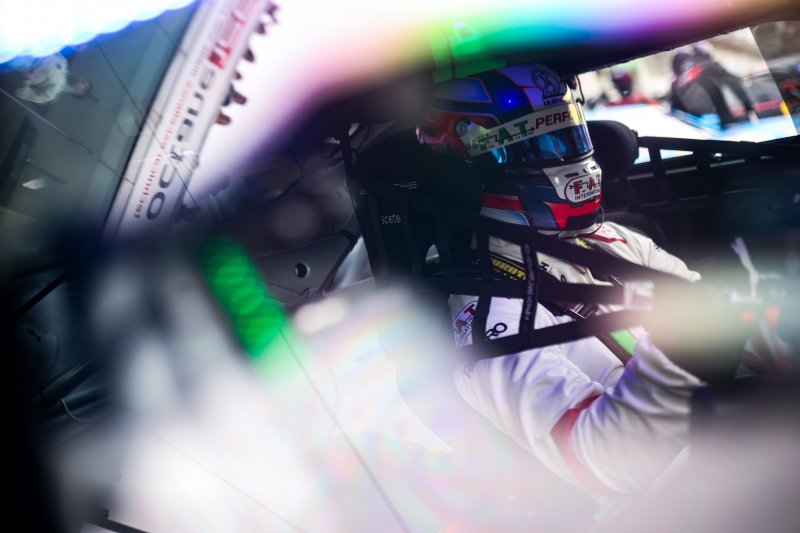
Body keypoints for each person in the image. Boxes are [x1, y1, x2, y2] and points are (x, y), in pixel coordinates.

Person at [416, 63, 707, 496]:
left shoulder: (613, 239)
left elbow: (718, 316)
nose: (568, 158)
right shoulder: (490, 319)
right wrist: (684, 351)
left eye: (569, 136)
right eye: (537, 145)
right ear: (468, 174)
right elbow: (609, 461)